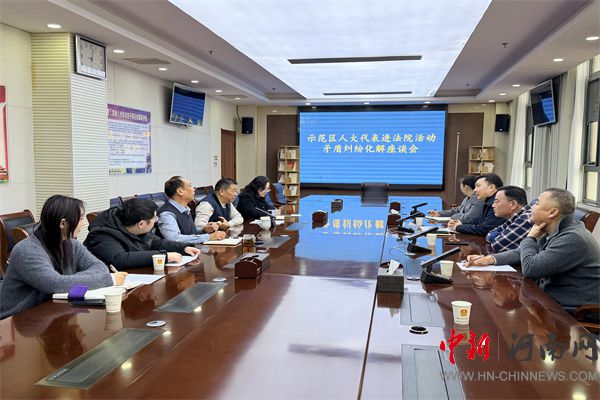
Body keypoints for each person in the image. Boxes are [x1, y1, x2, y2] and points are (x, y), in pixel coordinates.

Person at [466, 188, 600, 310]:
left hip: (572, 311)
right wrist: (490, 259)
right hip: (547, 300)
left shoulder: (573, 238)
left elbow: (531, 268)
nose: (531, 207)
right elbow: (522, 252)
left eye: (537, 204)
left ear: (552, 212)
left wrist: (530, 237)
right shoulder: (554, 230)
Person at [0, 195, 126, 318]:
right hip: (18, 320)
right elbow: (54, 284)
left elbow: (100, 268)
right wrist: (109, 279)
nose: (82, 224)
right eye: (80, 219)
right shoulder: (27, 250)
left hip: (55, 312)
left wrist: (68, 282)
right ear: (63, 223)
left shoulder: (71, 244)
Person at [84, 198, 201, 270]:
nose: (156, 220)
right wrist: (164, 256)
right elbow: (119, 259)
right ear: (141, 224)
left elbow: (156, 243)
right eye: (154, 218)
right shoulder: (102, 233)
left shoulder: (136, 227)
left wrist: (183, 248)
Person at [157, 176, 226, 243]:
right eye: (190, 186)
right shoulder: (167, 214)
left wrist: (204, 230)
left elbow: (189, 234)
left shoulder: (185, 209)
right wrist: (208, 237)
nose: (194, 189)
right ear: (180, 191)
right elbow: (174, 239)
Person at [486, 186, 535, 252]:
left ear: (513, 204)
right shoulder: (515, 217)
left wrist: (497, 236)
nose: (493, 205)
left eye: (496, 201)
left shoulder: (526, 217)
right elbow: (490, 234)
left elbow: (497, 244)